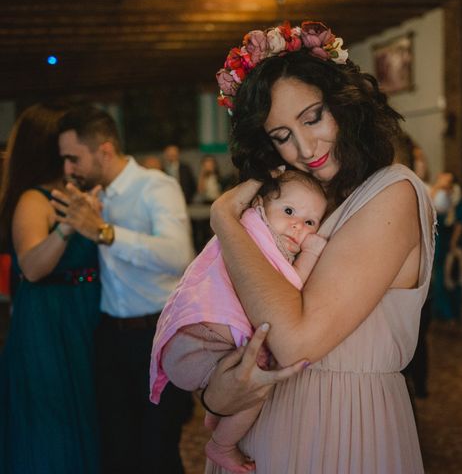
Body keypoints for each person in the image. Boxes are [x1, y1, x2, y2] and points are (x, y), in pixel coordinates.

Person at [165, 21, 436, 473]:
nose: (305, 147)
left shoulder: (393, 193)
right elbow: (237, 313)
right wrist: (215, 390)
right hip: (264, 424)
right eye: (281, 136)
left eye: (313, 118)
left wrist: (224, 221)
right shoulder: (299, 201)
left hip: (345, 424)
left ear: (345, 105)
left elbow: (293, 342)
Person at [151, 170, 327, 473]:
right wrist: (310, 254)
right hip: (202, 342)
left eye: (310, 222)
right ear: (259, 206)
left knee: (242, 377)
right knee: (259, 381)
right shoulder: (256, 238)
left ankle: (218, 411)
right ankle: (221, 445)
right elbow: (285, 293)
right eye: (289, 211)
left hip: (192, 340)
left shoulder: (248, 230)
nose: (298, 225)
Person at [50, 106, 195, 474]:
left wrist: (105, 232)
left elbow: (179, 255)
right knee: (116, 452)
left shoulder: (155, 186)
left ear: (105, 150)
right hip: (108, 339)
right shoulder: (90, 197)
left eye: (74, 158)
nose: (68, 169)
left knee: (157, 453)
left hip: (155, 338)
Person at [0, 103, 102, 473]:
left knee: (84, 411)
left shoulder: (77, 192)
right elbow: (31, 266)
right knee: (54, 422)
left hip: (80, 315)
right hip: (48, 320)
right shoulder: (33, 199)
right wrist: (66, 229)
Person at [431, 173, 462, 328]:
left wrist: (453, 243)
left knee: (453, 278)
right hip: (440, 243)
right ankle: (443, 314)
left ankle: (453, 314)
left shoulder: (457, 198)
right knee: (440, 279)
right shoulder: (439, 196)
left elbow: (461, 222)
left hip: (451, 245)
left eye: (445, 179)